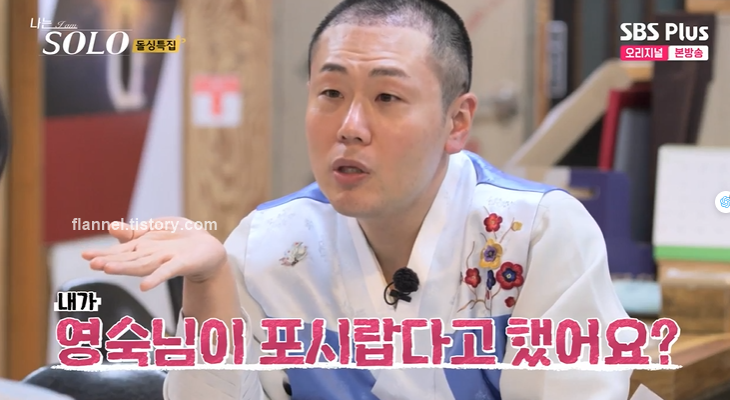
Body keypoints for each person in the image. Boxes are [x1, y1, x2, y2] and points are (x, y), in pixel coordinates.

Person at [83, 0, 633, 398]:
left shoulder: (537, 234)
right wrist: (208, 286)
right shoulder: (268, 245)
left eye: (387, 96)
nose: (349, 126)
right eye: (330, 92)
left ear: (457, 121)